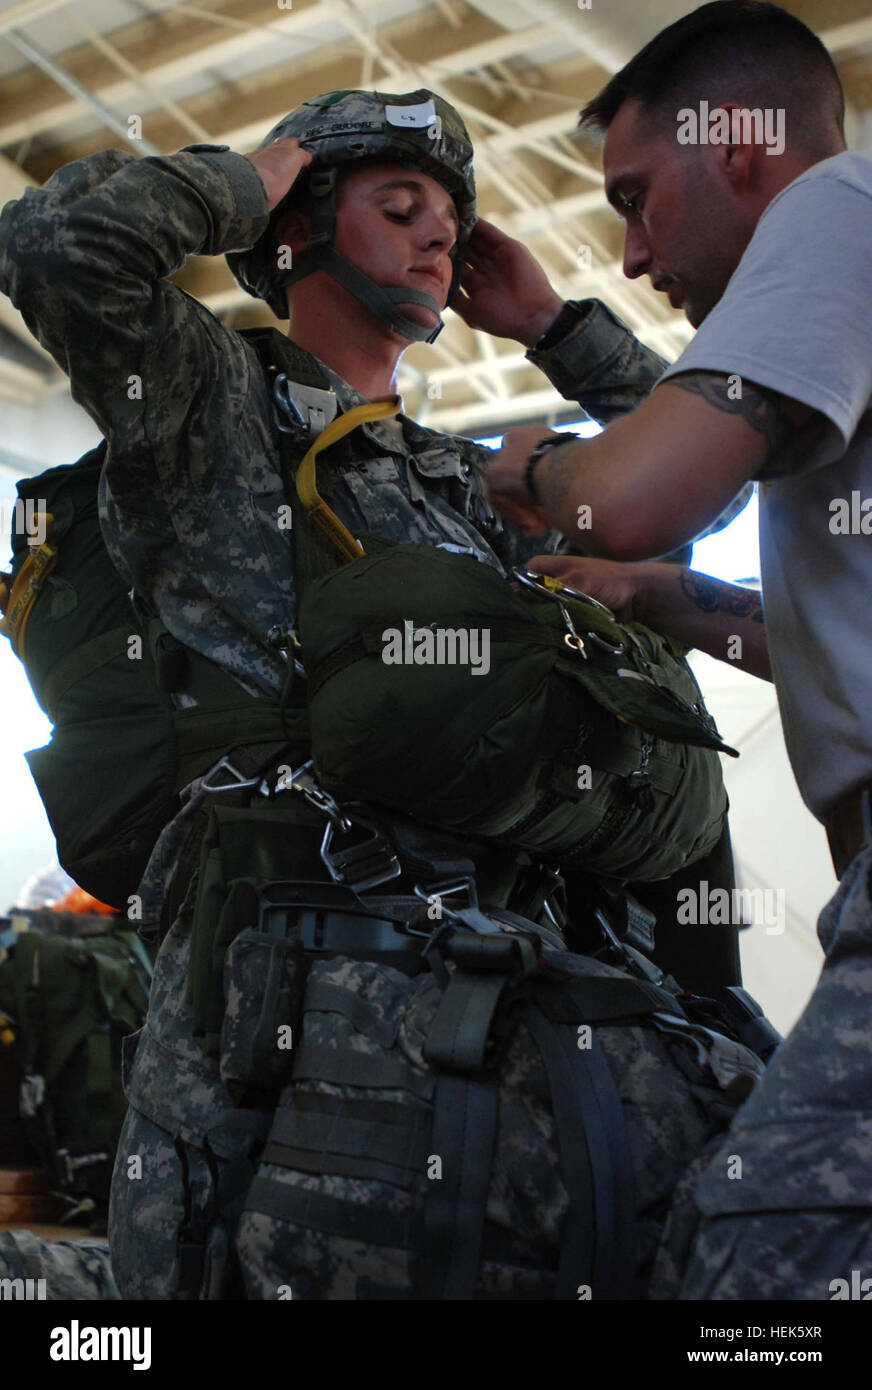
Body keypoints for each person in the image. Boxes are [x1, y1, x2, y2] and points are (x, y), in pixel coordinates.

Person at [0, 86, 760, 1301]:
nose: (436, 237)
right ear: (296, 232)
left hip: (490, 1024)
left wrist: (555, 325)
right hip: (273, 1022)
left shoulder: (467, 486)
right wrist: (250, 179)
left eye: (450, 224)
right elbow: (53, 247)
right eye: (398, 206)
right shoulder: (205, 408)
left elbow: (707, 485)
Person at [471, 0, 872, 1299]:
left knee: (751, 1260)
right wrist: (669, 603)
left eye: (639, 200)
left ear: (744, 148)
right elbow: (802, 630)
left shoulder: (838, 206)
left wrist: (531, 469)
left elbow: (630, 494)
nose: (635, 253)